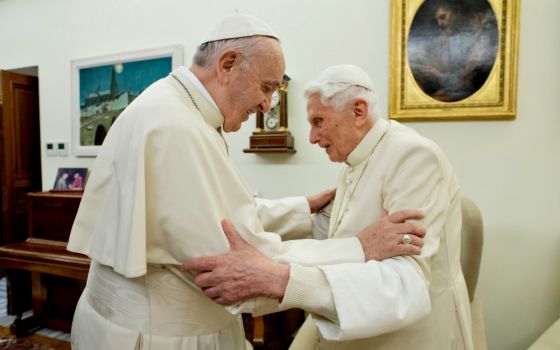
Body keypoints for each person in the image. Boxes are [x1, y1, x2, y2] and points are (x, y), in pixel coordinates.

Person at [67, 14, 426, 350]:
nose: (267, 104)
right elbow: (242, 267)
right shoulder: (177, 128)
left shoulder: (170, 107)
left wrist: (303, 208)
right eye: (266, 87)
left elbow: (220, 215)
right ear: (227, 65)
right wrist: (359, 248)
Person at [185, 64, 474, 349]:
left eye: (318, 121)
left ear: (358, 111)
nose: (311, 137)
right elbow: (342, 233)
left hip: (410, 338)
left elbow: (404, 281)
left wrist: (282, 280)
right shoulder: (356, 160)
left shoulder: (413, 156)